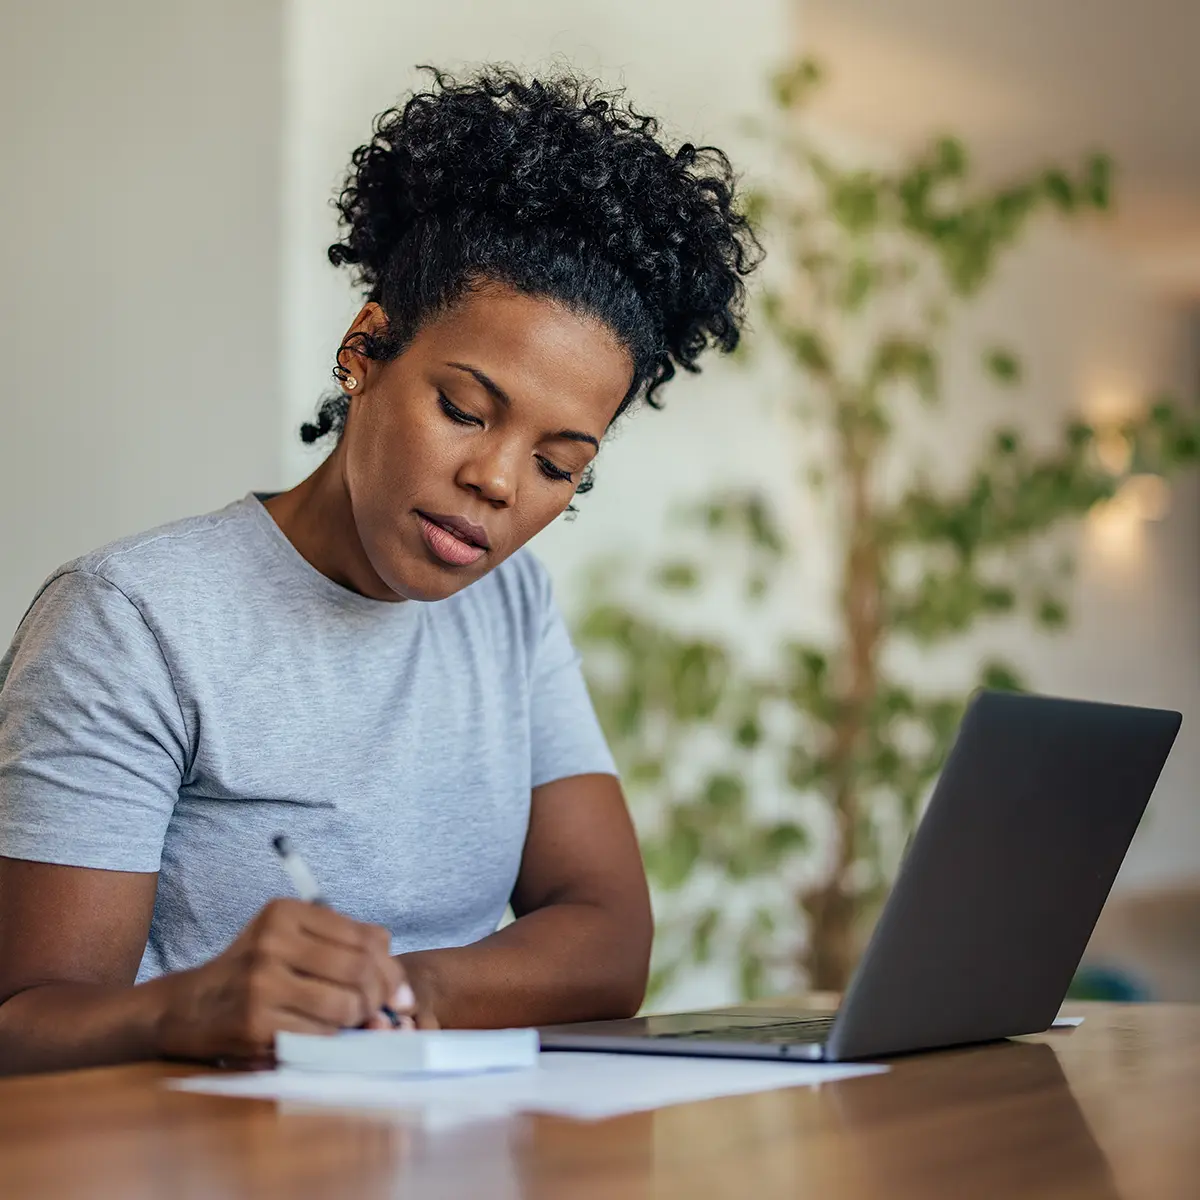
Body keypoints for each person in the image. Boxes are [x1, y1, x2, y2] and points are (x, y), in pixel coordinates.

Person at [0, 66, 761, 1075]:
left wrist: (395, 994)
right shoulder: (134, 618)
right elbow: (21, 1026)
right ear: (365, 349)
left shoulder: (509, 605)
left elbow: (610, 937)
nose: (496, 481)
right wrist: (188, 1008)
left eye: (556, 464)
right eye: (464, 409)